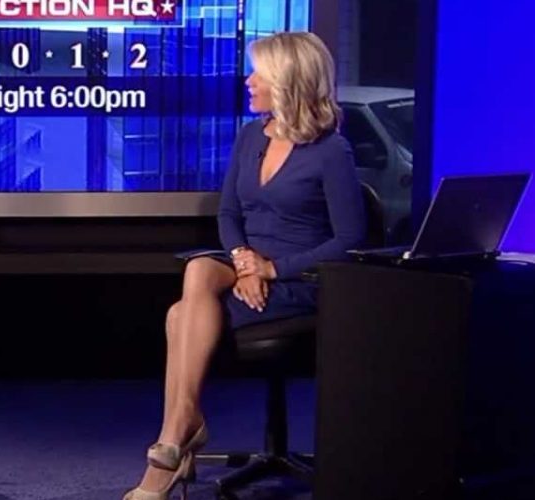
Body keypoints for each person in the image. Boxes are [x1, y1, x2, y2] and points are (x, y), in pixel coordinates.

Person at [124, 32, 366, 500]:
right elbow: (228, 214)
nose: (249, 81)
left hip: (298, 277)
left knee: (179, 314)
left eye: (260, 74)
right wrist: (242, 259)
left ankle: (175, 440)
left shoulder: (332, 152)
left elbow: (350, 240)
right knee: (198, 270)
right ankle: (180, 430)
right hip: (242, 266)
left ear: (288, 82)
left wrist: (272, 271)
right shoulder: (251, 134)